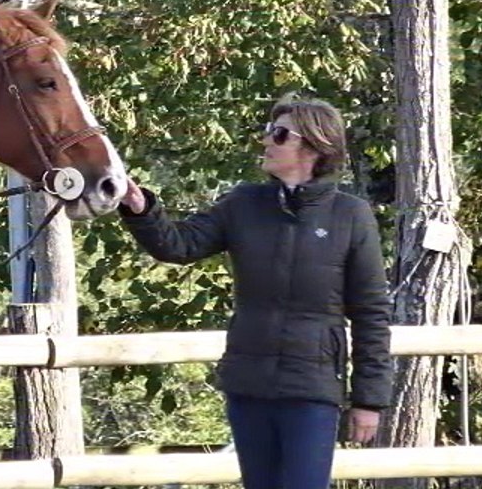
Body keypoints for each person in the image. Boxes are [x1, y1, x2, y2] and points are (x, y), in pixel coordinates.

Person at [117, 94, 392, 489]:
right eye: (267, 131)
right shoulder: (242, 203)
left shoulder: (351, 215)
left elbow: (371, 313)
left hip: (312, 389)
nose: (265, 141)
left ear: (313, 145)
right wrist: (140, 206)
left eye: (278, 134)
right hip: (248, 385)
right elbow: (178, 245)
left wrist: (369, 400)